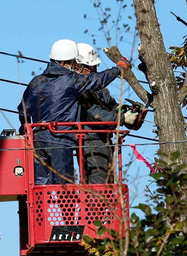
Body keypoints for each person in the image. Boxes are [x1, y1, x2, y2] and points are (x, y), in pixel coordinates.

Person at [17, 39, 129, 184]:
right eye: (72, 62)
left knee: (40, 186)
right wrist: (119, 68)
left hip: (38, 141)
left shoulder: (36, 81)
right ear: (65, 63)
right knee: (63, 187)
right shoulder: (71, 81)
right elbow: (99, 80)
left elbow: (23, 110)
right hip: (61, 140)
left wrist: (25, 127)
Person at [74, 43, 143, 184]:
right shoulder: (78, 89)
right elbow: (96, 115)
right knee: (98, 184)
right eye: (92, 67)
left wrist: (123, 110)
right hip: (90, 143)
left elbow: (110, 104)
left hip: (104, 140)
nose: (95, 70)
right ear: (80, 67)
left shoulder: (98, 88)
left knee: (108, 183)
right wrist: (122, 118)